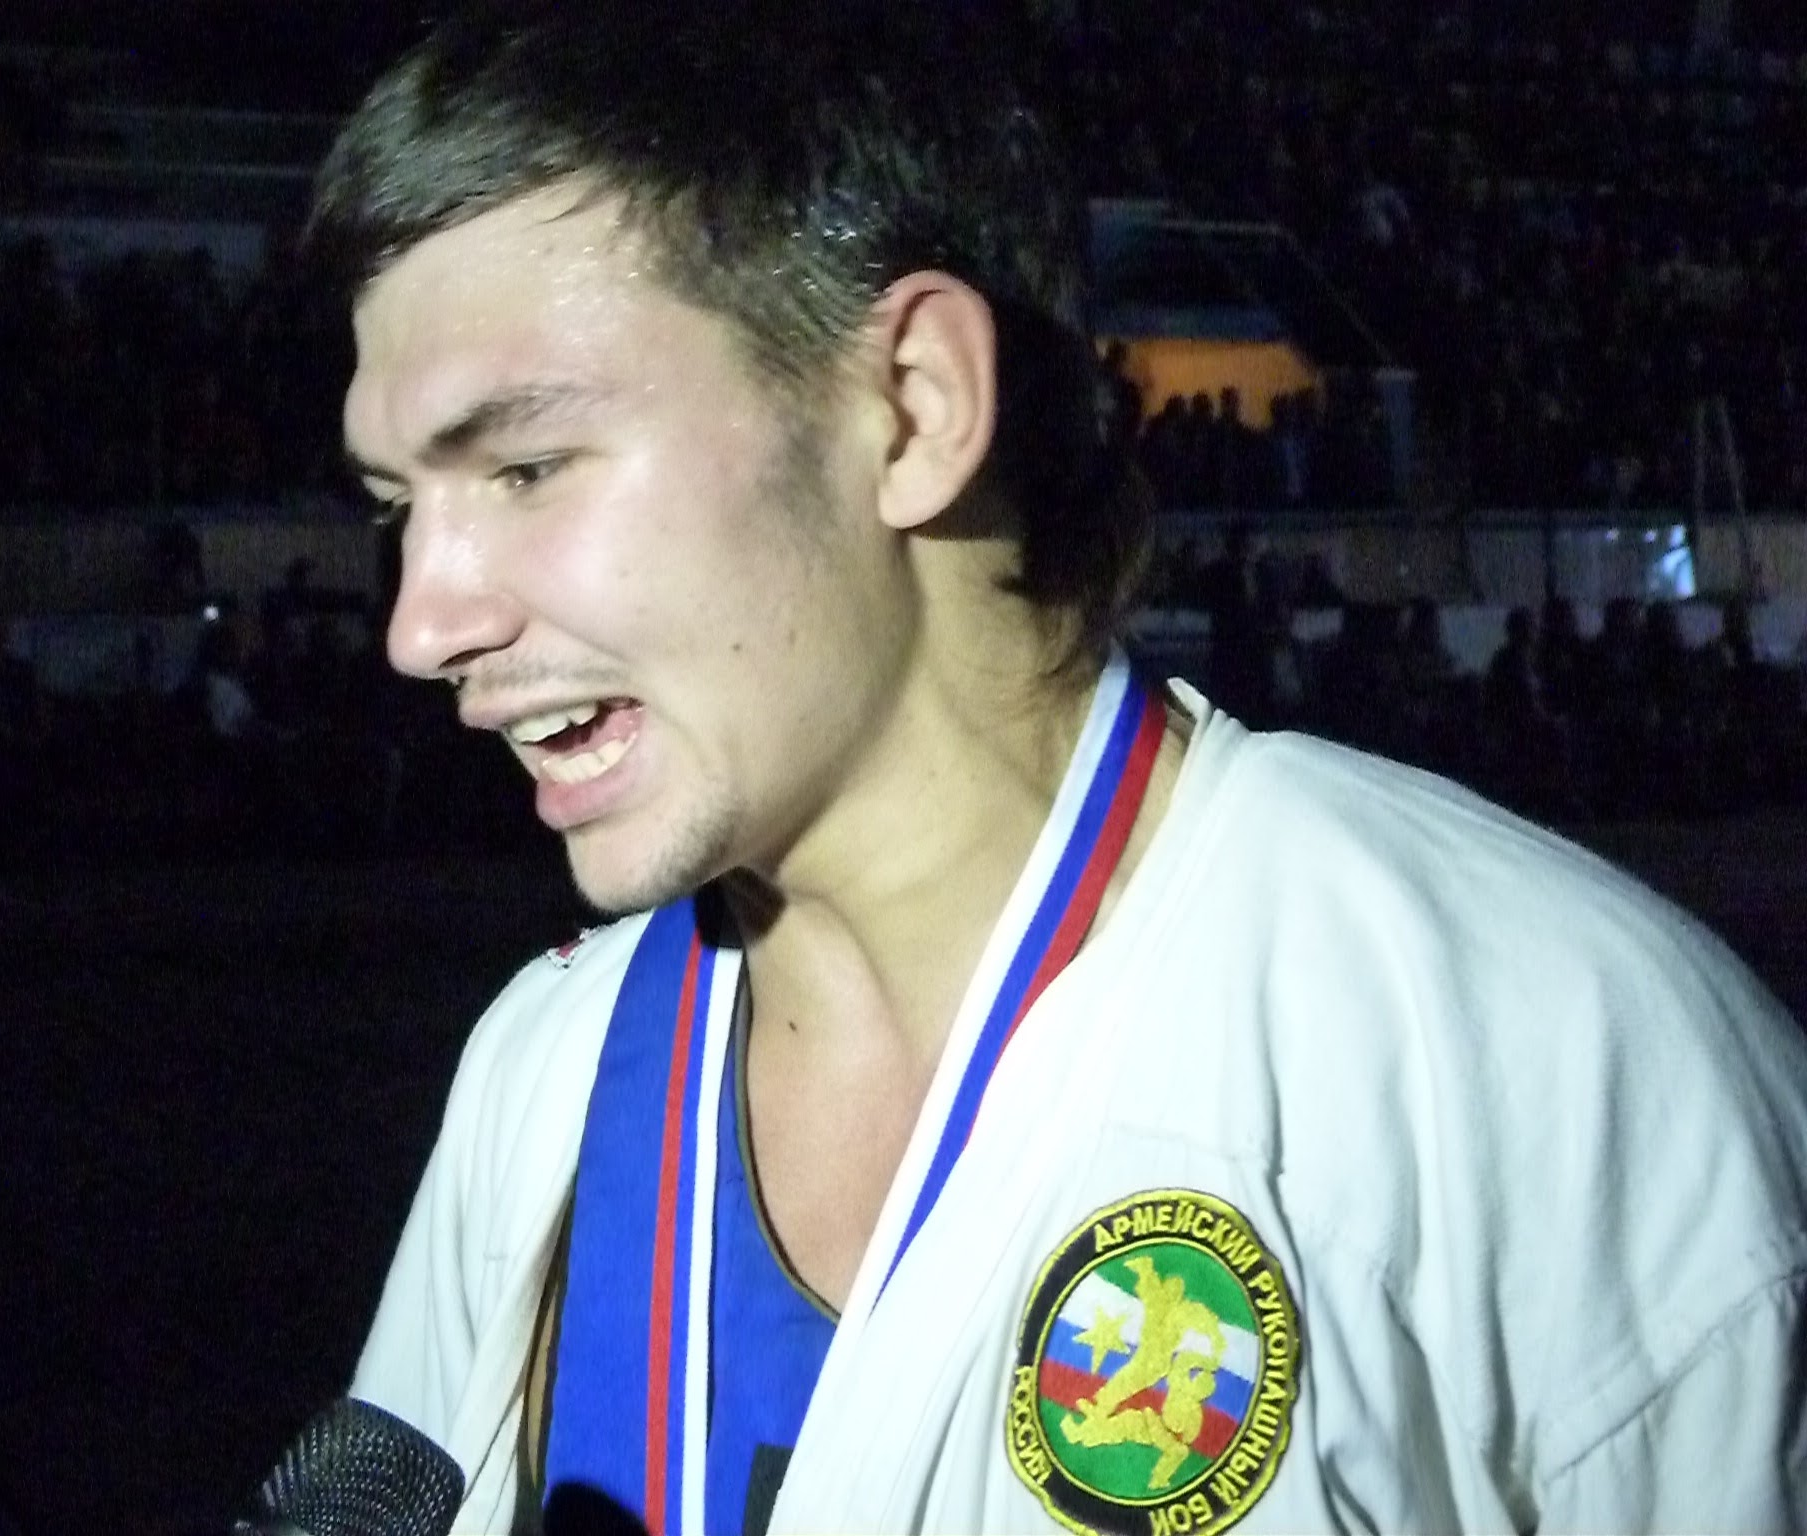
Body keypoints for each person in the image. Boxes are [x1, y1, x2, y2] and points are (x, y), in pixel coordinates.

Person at [302, 4, 1807, 1532]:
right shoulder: (543, 1076)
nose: (423, 625)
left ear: (914, 407)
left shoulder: (1544, 1064)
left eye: (527, 468)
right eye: (397, 507)